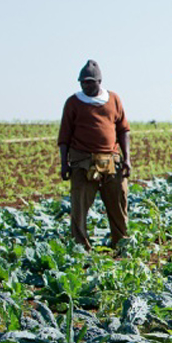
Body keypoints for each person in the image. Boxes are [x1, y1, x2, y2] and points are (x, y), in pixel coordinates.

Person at [57, 60, 131, 251]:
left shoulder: (113, 99)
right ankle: (81, 248)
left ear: (99, 81)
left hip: (111, 160)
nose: (86, 85)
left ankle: (120, 244)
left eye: (90, 82)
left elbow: (123, 130)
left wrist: (127, 159)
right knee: (79, 206)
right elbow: (64, 137)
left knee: (118, 202)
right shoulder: (73, 102)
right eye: (83, 82)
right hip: (83, 161)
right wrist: (64, 164)